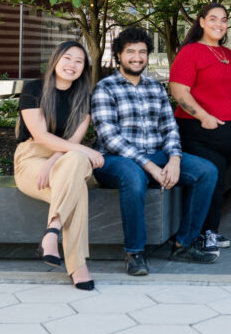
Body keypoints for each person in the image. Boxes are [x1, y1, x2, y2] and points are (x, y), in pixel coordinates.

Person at [92, 27, 219, 276]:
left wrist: (174, 158)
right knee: (134, 176)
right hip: (115, 160)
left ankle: (182, 244)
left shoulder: (155, 87)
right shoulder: (105, 88)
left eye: (142, 52)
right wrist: (149, 165)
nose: (137, 57)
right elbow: (109, 137)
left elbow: (169, 127)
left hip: (156, 154)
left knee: (207, 171)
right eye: (130, 52)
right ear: (119, 55)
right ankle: (134, 252)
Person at [13, 40, 102, 290]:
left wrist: (55, 160)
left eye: (79, 61)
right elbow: (40, 136)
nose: (72, 65)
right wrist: (84, 150)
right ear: (56, 59)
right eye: (67, 58)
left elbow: (72, 142)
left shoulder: (85, 97)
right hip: (31, 156)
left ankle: (52, 231)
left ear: (84, 68)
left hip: (65, 157)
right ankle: (78, 266)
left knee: (75, 161)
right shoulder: (34, 88)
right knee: (78, 187)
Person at [169, 3, 231, 255]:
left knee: (218, 181)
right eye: (213, 19)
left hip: (229, 135)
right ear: (201, 21)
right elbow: (179, 91)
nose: (219, 24)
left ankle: (208, 229)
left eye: (223, 20)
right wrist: (204, 117)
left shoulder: (227, 54)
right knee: (209, 178)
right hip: (199, 131)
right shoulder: (190, 52)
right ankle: (203, 234)